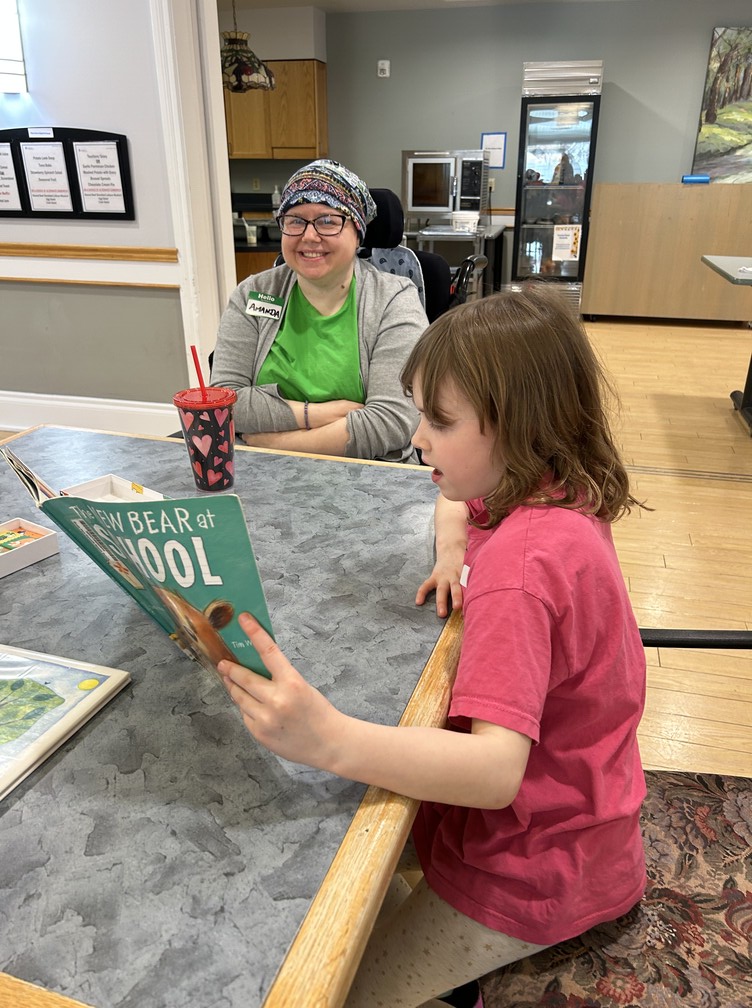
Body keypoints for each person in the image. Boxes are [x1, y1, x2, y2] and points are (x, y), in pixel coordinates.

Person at [217, 285, 648, 1008]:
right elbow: (457, 504)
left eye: (438, 421)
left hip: (536, 868)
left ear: (518, 427)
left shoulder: (519, 570)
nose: (417, 437)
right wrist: (453, 552)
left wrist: (328, 738)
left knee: (336, 989)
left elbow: (494, 773)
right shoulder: (548, 491)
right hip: (582, 821)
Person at [210, 159, 428, 463]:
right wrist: (317, 413)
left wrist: (276, 443)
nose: (309, 236)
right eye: (295, 220)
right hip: (261, 471)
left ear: (357, 232)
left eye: (328, 221)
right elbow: (223, 404)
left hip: (371, 473)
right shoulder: (253, 293)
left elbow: (390, 424)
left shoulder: (394, 300)